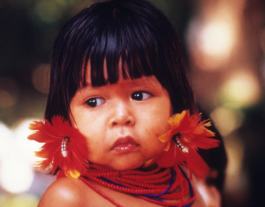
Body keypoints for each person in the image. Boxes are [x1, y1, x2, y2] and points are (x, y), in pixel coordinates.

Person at [28, 0, 226, 206]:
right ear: (65, 118)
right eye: (94, 101)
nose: (121, 116)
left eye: (139, 95)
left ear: (175, 101)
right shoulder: (69, 198)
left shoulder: (192, 188)